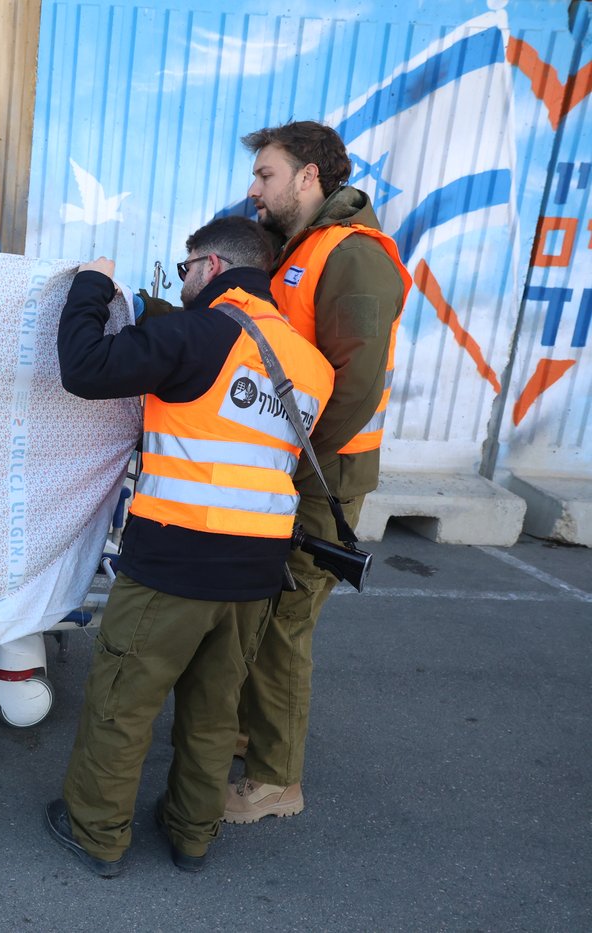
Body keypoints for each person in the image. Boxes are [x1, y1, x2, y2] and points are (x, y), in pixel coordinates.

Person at [44, 217, 334, 876]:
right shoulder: (311, 364)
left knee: (124, 699)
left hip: (174, 561)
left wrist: (92, 284)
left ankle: (96, 831)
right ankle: (192, 834)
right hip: (257, 569)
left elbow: (84, 367)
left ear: (209, 265)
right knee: (213, 711)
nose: (184, 283)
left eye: (184, 271)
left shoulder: (194, 334)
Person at [224, 121, 411, 823]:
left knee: (285, 621)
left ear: (308, 178)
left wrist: (300, 462)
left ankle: (276, 780)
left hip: (324, 477)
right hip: (298, 469)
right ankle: (252, 733)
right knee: (263, 609)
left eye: (266, 175)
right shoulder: (299, 249)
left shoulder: (352, 256)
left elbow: (355, 383)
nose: (254, 188)